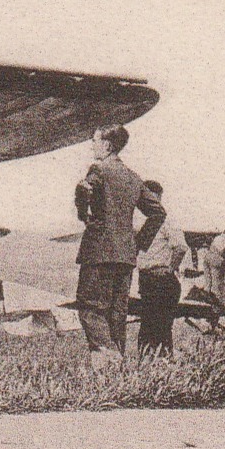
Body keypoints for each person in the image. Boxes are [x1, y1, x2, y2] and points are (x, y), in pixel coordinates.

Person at [73, 125, 165, 365]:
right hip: (125, 256)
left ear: (107, 145)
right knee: (117, 314)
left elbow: (83, 189)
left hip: (98, 251)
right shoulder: (134, 177)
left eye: (94, 141)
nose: (92, 145)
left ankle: (110, 360)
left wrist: (84, 215)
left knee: (91, 308)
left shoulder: (99, 170)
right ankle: (115, 368)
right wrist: (138, 244)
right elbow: (158, 213)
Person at [135, 181, 185, 356]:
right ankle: (149, 369)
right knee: (148, 328)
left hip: (162, 281)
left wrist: (170, 269)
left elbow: (180, 247)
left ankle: (161, 368)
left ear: (157, 198)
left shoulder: (167, 222)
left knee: (160, 329)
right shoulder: (144, 224)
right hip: (147, 280)